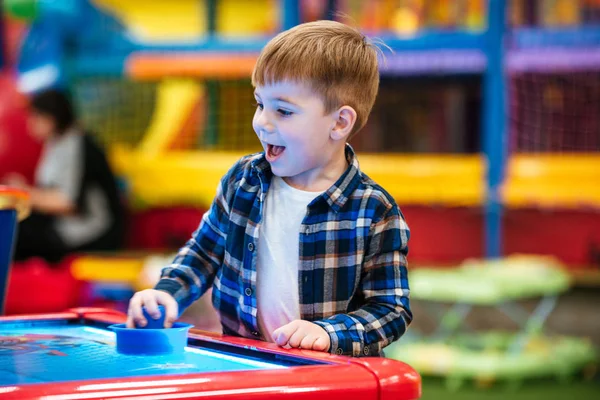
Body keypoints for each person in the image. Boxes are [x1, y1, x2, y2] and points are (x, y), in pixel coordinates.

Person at [127, 20, 412, 357]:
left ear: (339, 122)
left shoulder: (373, 209)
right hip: (248, 364)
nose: (262, 122)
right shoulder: (243, 181)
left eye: (283, 111)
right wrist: (166, 292)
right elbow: (203, 254)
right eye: (260, 104)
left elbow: (391, 309)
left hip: (328, 376)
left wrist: (328, 333)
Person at [4, 89, 124, 263]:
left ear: (51, 119)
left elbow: (67, 202)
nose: (30, 124)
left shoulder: (77, 144)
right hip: (65, 225)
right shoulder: (56, 142)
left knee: (18, 234)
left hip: (90, 232)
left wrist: (25, 193)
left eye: (35, 118)